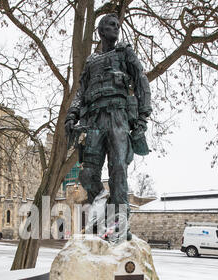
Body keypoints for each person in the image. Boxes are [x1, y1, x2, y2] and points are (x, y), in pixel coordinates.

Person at [65, 13, 152, 241]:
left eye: (117, 25)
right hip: (93, 120)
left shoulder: (125, 52)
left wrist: (142, 118)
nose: (116, 28)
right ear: (101, 31)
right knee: (88, 174)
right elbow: (81, 92)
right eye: (111, 25)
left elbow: (142, 82)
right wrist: (72, 115)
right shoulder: (91, 61)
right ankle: (102, 201)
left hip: (118, 117)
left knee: (118, 172)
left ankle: (120, 225)